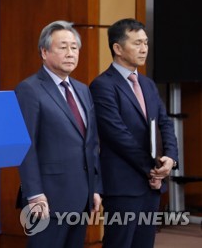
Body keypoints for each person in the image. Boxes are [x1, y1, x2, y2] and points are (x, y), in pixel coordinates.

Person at [89, 18, 178, 248]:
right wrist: (153, 169)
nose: (144, 48)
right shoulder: (102, 85)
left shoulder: (147, 84)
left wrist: (170, 158)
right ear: (117, 48)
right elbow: (117, 136)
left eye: (146, 43)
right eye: (137, 43)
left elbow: (165, 123)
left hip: (152, 184)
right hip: (123, 185)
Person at [16, 20, 102, 248]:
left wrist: (95, 188)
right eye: (63, 47)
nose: (70, 53)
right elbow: (26, 147)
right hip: (48, 199)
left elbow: (91, 144)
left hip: (81, 195)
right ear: (44, 52)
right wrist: (34, 194)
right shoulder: (30, 89)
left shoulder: (83, 90)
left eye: (74, 48)